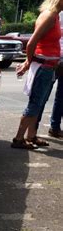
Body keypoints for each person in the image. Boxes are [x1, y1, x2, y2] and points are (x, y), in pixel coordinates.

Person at [12, 0, 63, 149]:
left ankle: (31, 136)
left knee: (39, 103)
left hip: (48, 66)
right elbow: (31, 43)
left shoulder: (53, 15)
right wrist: (28, 62)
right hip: (44, 66)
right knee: (35, 104)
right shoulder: (49, 16)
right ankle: (19, 139)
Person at [48, 10, 63, 138]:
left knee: (60, 96)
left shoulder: (57, 13)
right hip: (55, 58)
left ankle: (55, 127)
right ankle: (54, 127)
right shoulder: (55, 14)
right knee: (44, 96)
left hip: (55, 57)